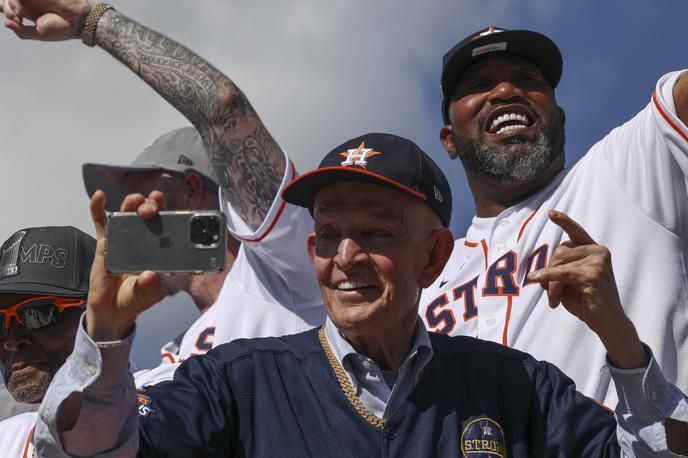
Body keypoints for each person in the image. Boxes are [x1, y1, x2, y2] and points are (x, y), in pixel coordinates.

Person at [33, 133, 688, 456]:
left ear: (433, 256)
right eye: (328, 236)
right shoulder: (236, 383)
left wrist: (622, 345)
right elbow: (95, 451)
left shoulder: (516, 389)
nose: (344, 258)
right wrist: (104, 343)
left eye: (374, 234)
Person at [0, 0, 326, 356]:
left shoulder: (283, 269)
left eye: (138, 195)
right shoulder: (169, 357)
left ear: (189, 189)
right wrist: (105, 330)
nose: (123, 215)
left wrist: (90, 22)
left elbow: (223, 106)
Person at [420, 26, 688, 407]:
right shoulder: (425, 277)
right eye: (479, 84)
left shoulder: (622, 172)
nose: (504, 91)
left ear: (559, 117)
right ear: (449, 139)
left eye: (527, 80)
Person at [82, 126, 237, 364]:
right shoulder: (174, 356)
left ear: (190, 191)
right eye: (124, 215)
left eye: (140, 203)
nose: (131, 222)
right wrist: (106, 334)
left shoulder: (277, 281)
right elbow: (102, 401)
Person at [0, 226, 95, 456]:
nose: (11, 341)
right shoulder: (6, 438)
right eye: (1, 323)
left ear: (98, 312)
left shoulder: (169, 398)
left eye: (38, 313)